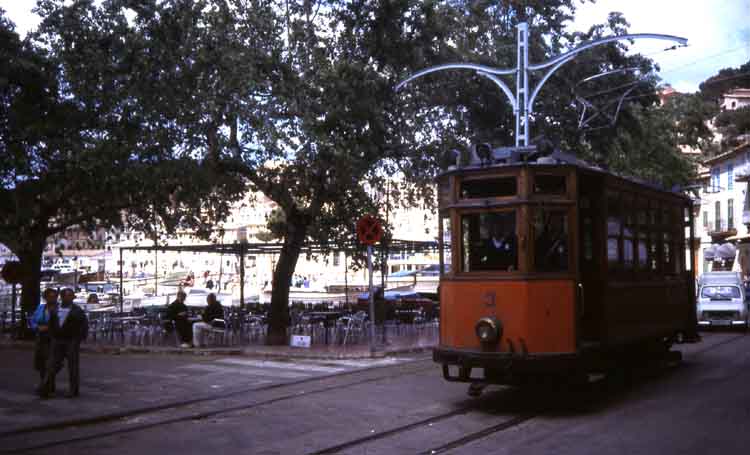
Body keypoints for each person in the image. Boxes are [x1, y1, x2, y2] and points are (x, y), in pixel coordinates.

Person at [39, 288, 88, 398]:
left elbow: (84, 326)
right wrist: (52, 336)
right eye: (67, 296)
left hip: (71, 341)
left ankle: (73, 390)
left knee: (73, 366)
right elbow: (51, 323)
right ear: (62, 297)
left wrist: (78, 339)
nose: (69, 298)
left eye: (71, 296)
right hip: (57, 340)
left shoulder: (77, 311)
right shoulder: (55, 309)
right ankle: (46, 387)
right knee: (52, 365)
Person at [31, 288, 58, 394]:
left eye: (54, 297)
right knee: (41, 363)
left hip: (53, 338)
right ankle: (47, 384)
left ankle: (46, 386)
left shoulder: (59, 309)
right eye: (49, 297)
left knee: (50, 363)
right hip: (41, 337)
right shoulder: (41, 307)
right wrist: (37, 327)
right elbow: (32, 320)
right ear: (45, 298)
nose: (52, 299)